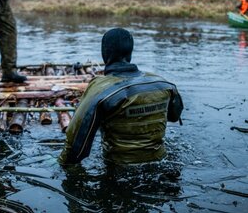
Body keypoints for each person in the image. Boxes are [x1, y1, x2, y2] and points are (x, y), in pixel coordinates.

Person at [59, 28, 183, 165]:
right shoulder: (163, 84)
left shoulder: (100, 88)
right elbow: (174, 116)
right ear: (130, 53)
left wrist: (63, 165)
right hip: (160, 162)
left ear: (104, 54)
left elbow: (76, 143)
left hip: (118, 170)